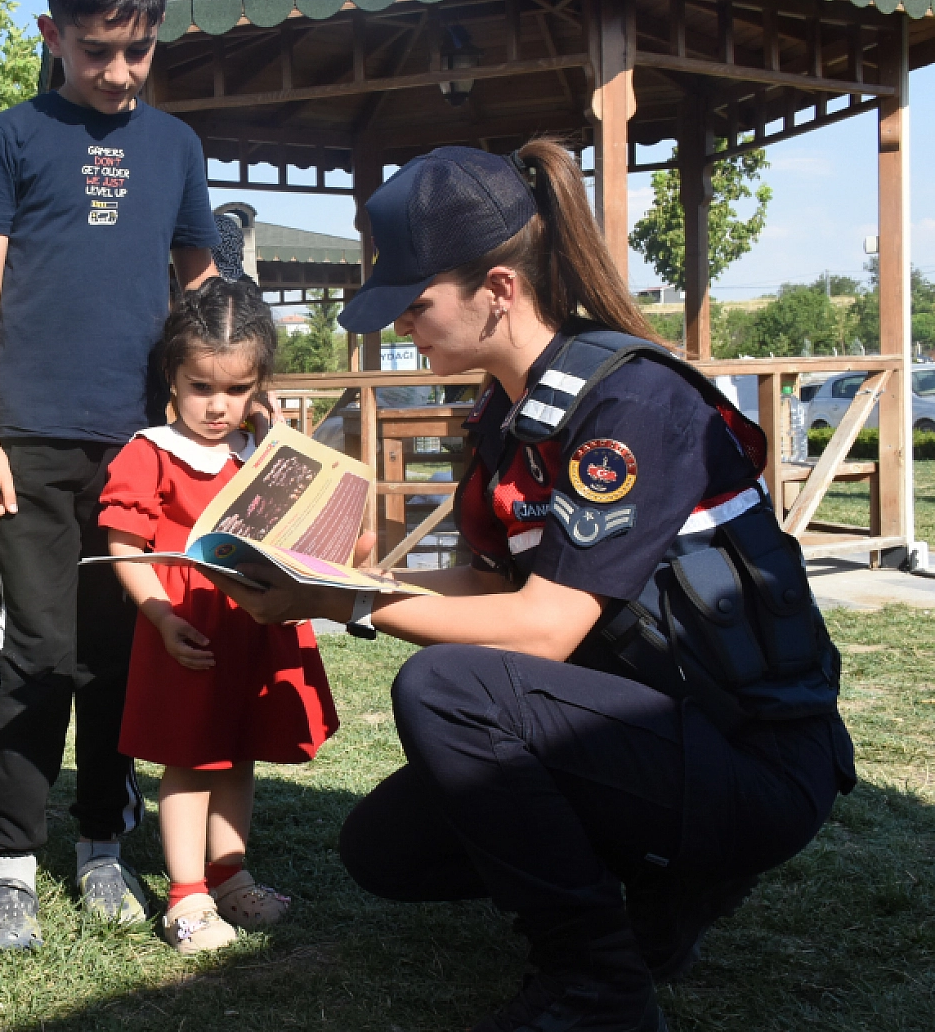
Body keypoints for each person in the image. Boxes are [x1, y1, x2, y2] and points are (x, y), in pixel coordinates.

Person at [213, 142, 856, 1032]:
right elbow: (493, 574)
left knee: (445, 690)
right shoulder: (511, 415)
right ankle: (660, 883)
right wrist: (340, 575)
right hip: (656, 730)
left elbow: (546, 625)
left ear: (501, 288)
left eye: (416, 301)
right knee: (386, 848)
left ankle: (599, 986)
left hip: (756, 761)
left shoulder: (629, 405)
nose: (399, 324)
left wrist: (347, 602)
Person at [0, 0, 219, 949]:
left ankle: (102, 836)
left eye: (136, 47)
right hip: (25, 441)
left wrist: (237, 392)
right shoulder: (13, 138)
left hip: (141, 450)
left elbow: (202, 288)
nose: (117, 70)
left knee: (120, 650)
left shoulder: (176, 146)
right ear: (49, 31)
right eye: (96, 48)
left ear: (157, 33)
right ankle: (11, 855)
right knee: (36, 652)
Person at [100, 277, 337, 953]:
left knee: (238, 753)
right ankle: (185, 896)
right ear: (172, 375)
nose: (217, 405)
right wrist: (159, 616)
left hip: (252, 625)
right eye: (202, 386)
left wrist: (274, 441)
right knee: (190, 758)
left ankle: (229, 873)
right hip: (188, 627)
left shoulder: (257, 453)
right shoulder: (150, 450)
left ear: (259, 385)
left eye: (236, 390)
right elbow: (123, 544)